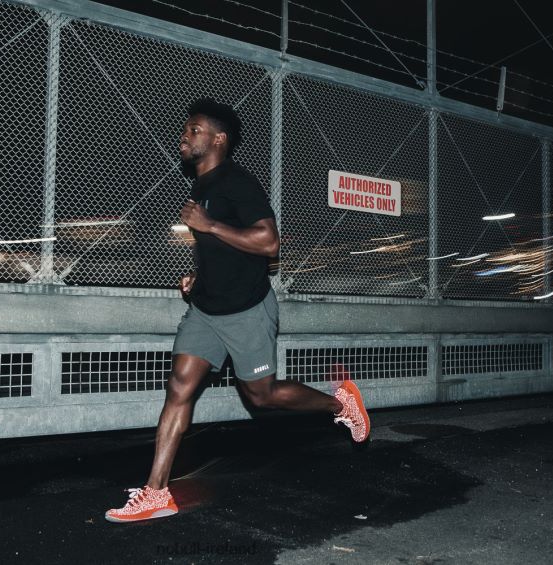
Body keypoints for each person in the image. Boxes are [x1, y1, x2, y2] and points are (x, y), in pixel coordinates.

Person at [105, 98, 370, 523]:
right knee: (179, 386)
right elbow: (222, 250)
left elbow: (268, 242)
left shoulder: (237, 182)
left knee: (262, 396)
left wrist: (209, 225)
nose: (184, 136)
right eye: (185, 129)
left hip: (247, 310)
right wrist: (198, 278)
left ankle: (341, 405)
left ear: (218, 139)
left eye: (194, 130)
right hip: (207, 310)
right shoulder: (202, 186)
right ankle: (156, 493)